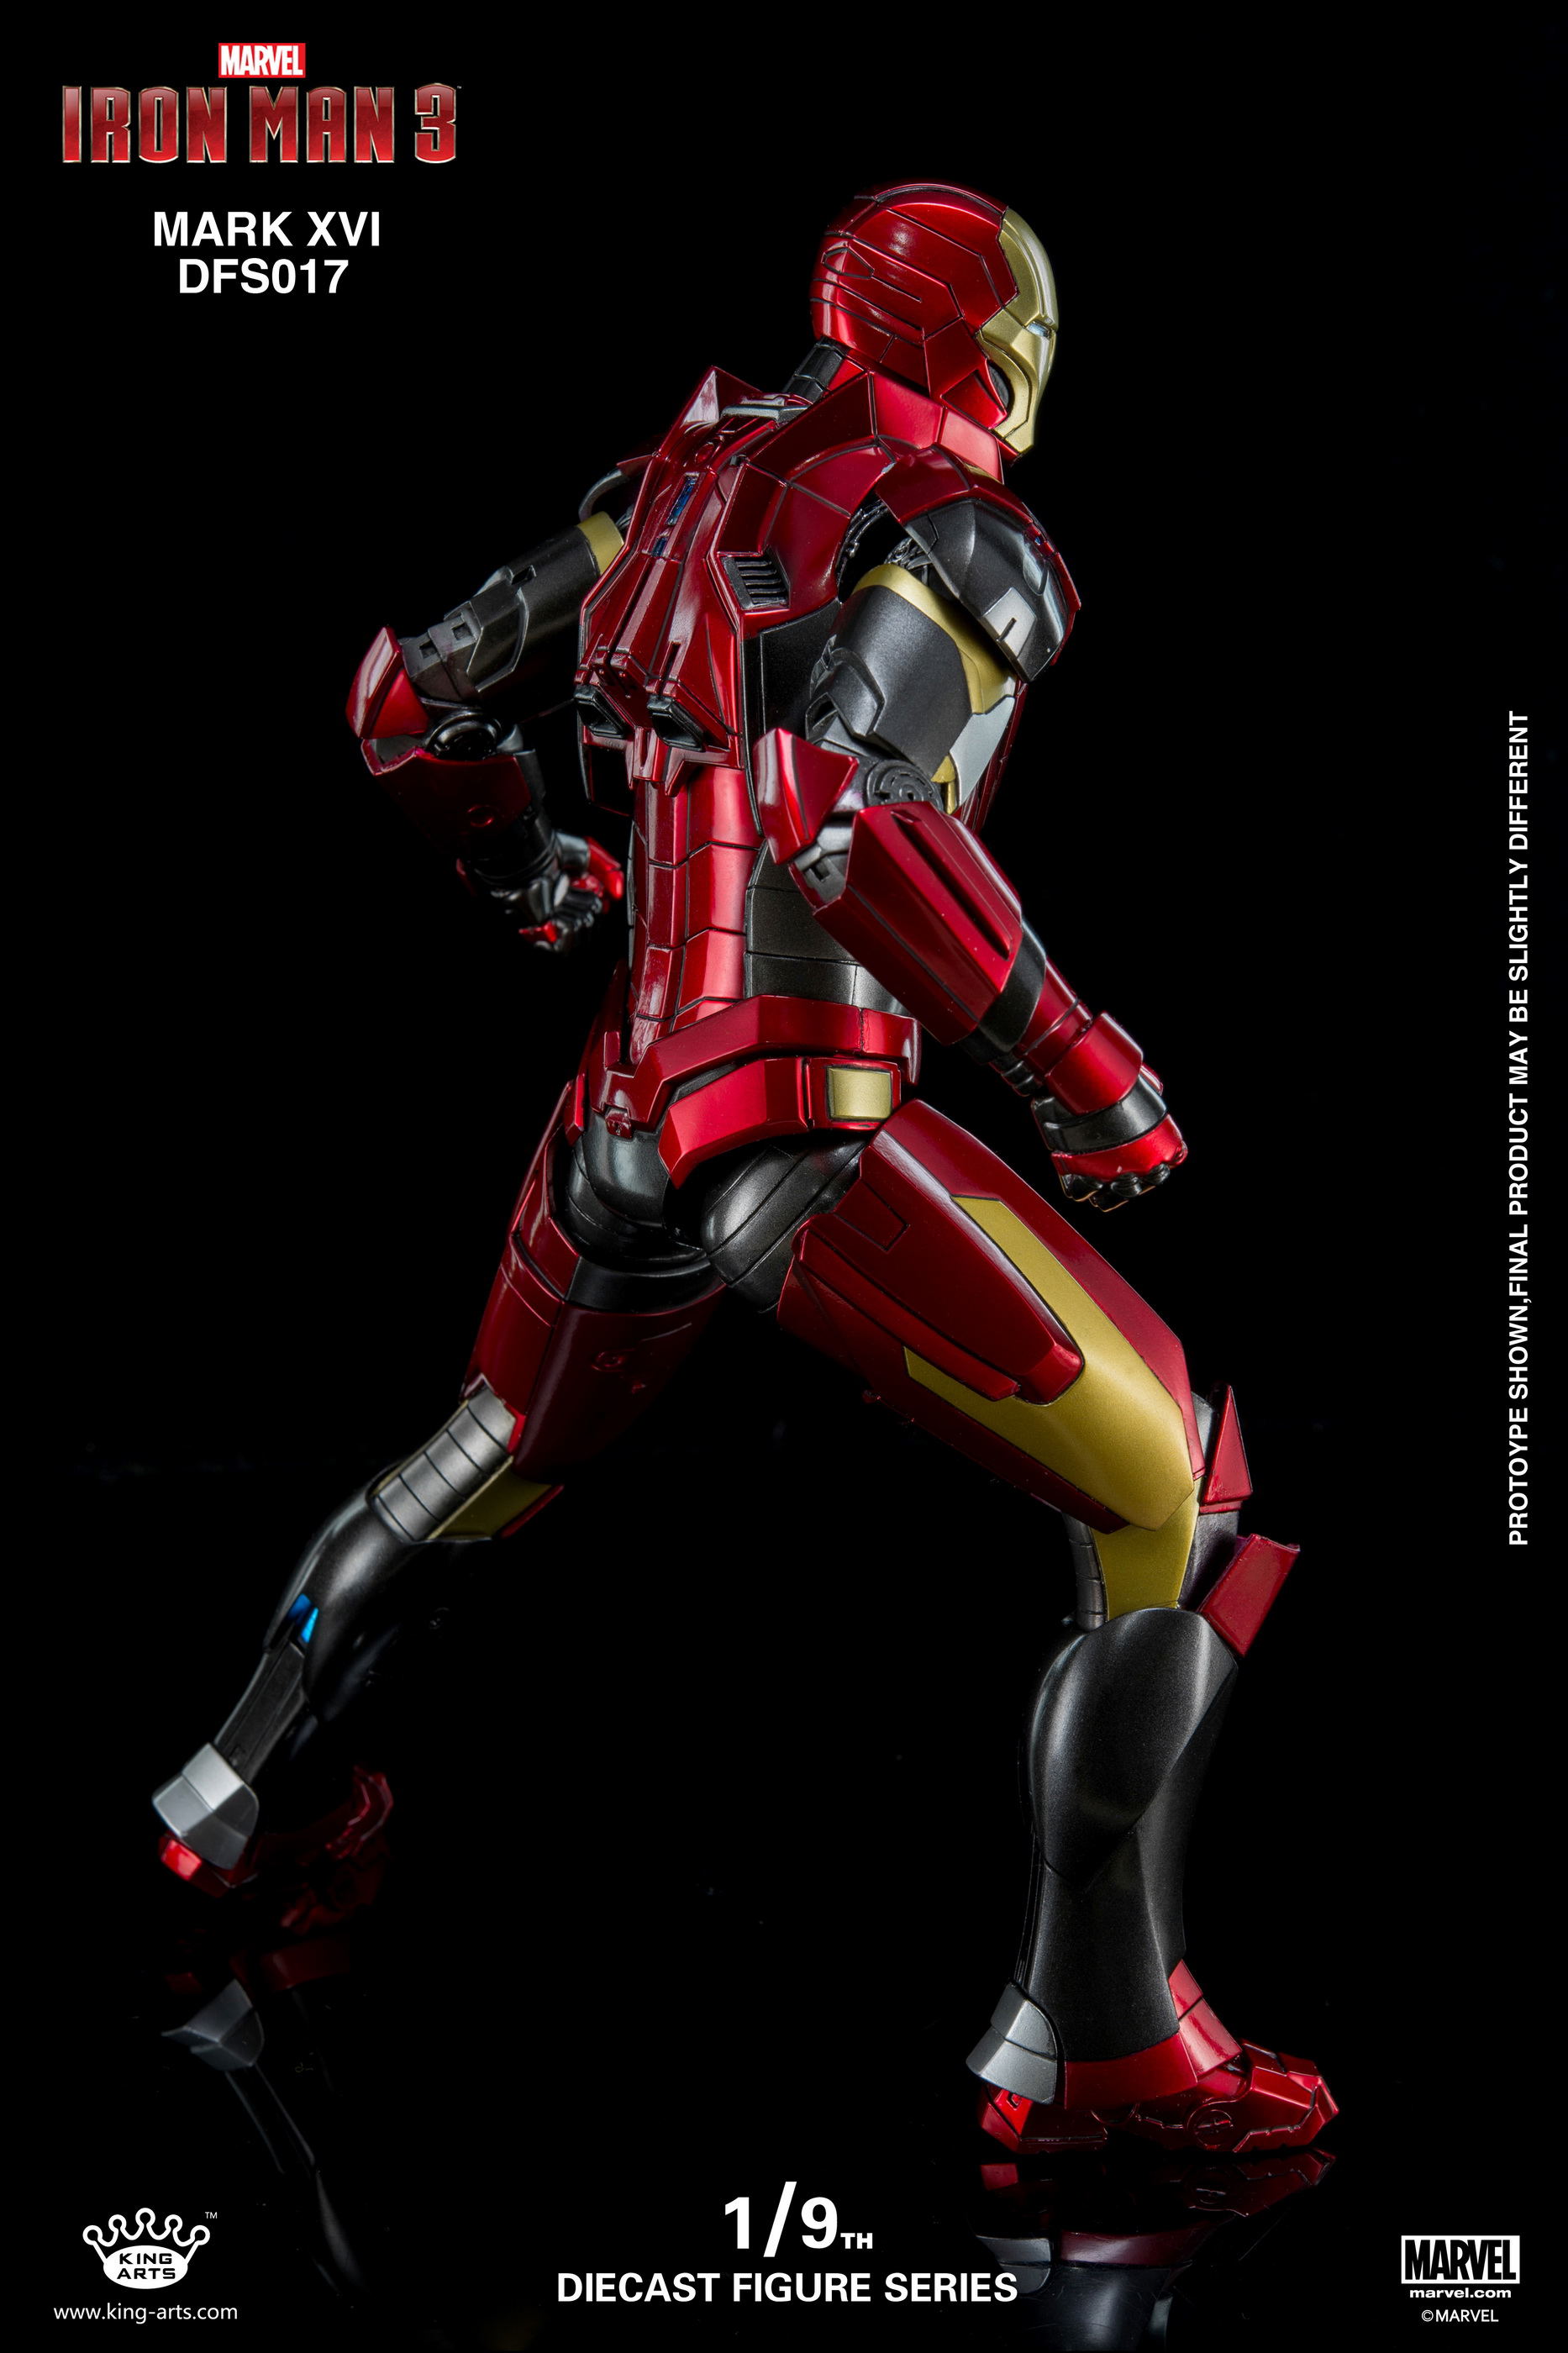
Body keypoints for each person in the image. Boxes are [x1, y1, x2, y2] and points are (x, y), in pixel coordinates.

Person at [154, 182, 1334, 2154]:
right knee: (1176, 1496)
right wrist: (1080, 1065)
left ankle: (231, 1810)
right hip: (801, 1119)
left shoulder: (677, 485)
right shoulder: (958, 530)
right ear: (976, 338)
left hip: (624, 1112)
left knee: (484, 1453)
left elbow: (405, 703)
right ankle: (1100, 2050)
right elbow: (841, 806)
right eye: (1022, 329)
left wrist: (526, 866)